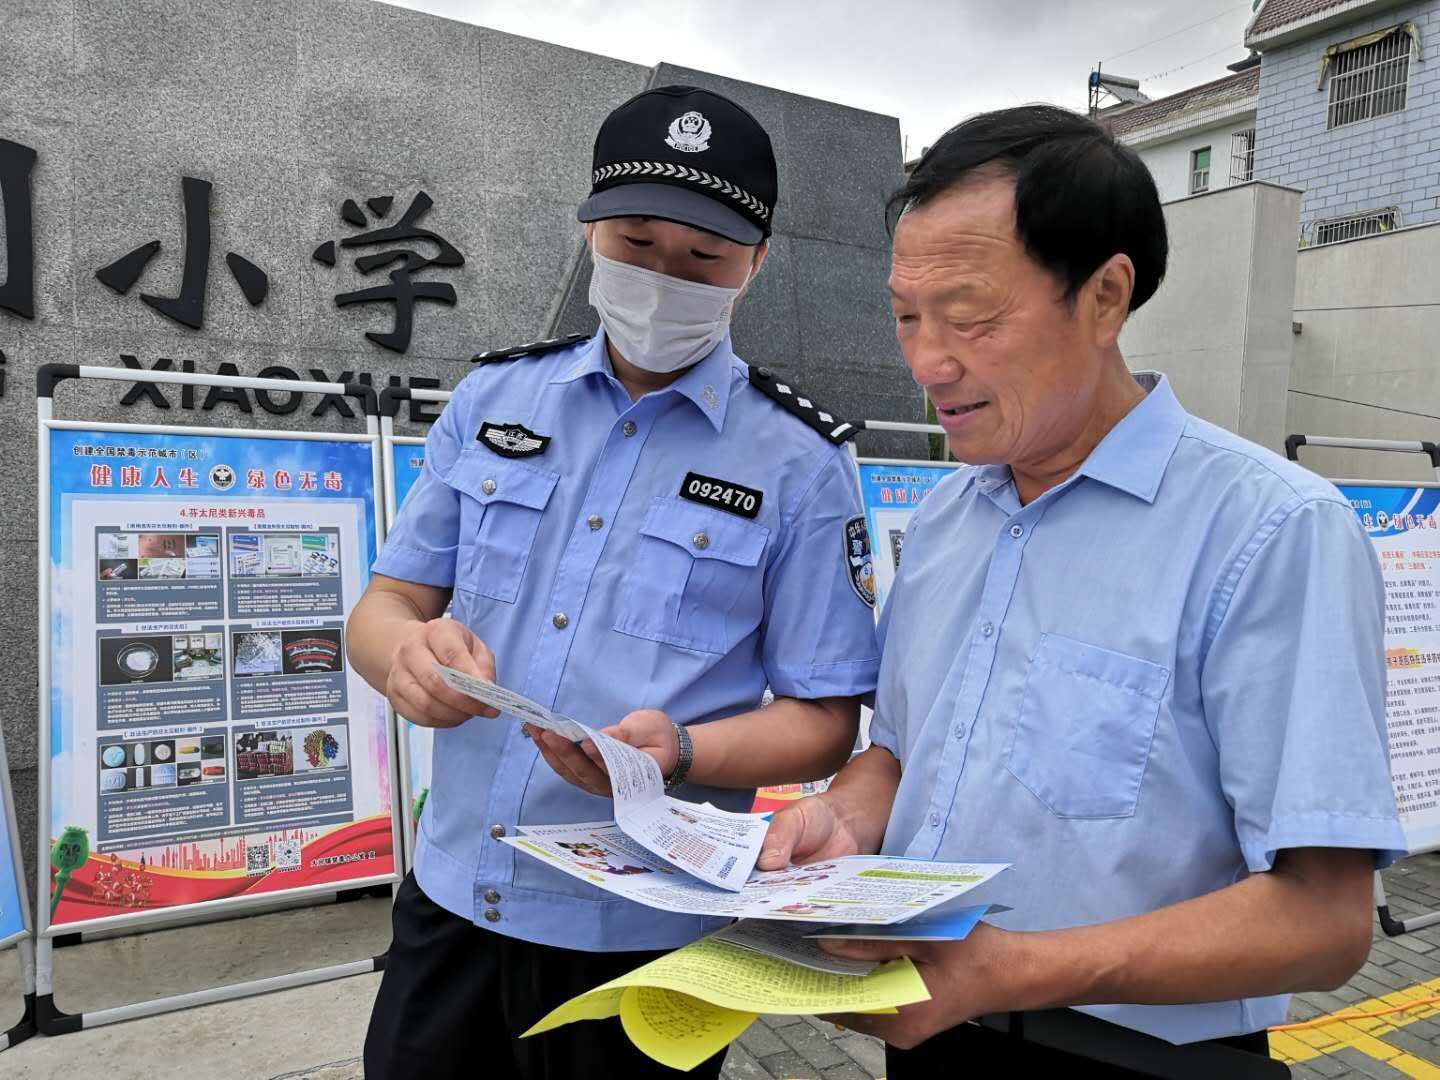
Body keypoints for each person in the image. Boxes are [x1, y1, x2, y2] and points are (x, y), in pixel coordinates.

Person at [757, 106, 1407, 1078]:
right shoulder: (941, 525)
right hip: (931, 1031)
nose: (929, 360)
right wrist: (840, 821)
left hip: (1139, 1057)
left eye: (971, 316)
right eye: (905, 315)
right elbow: (898, 754)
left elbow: (1324, 917)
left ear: (1105, 296)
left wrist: (1013, 969)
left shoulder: (1271, 531)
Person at [350, 84, 880, 1080]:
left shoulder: (802, 461)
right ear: (589, 230)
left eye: (703, 259)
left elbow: (824, 717)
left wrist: (682, 748)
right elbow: (387, 606)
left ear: (755, 265)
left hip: (642, 938)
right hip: (456, 895)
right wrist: (405, 659)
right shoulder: (494, 397)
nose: (663, 277)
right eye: (636, 243)